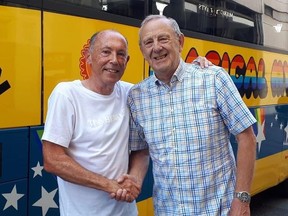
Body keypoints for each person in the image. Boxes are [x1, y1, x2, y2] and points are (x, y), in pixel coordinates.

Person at [42, 29, 211, 215]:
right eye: (106, 52)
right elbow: (53, 160)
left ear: (127, 61)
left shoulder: (132, 94)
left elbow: (141, 148)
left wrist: (193, 70)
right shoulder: (66, 95)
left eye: (120, 54)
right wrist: (109, 185)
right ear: (89, 57)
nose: (114, 60)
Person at [123, 15, 257, 216]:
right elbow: (141, 151)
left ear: (180, 41)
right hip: (168, 211)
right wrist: (134, 181)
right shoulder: (137, 97)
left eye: (163, 39)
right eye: (148, 42)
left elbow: (246, 137)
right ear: (142, 51)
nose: (156, 47)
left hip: (219, 210)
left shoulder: (213, 79)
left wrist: (242, 199)